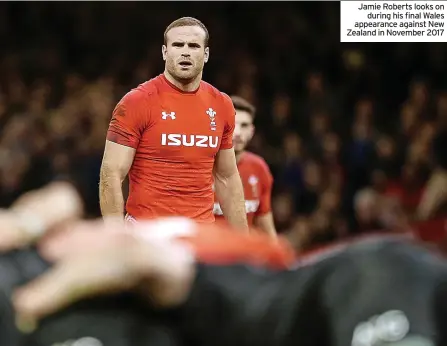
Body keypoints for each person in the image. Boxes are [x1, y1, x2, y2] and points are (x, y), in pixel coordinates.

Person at [3, 183, 447, 346]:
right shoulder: (60, 247)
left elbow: (64, 202)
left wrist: (33, 301)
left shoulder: (152, 235)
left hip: (318, 295)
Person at [100, 17, 247, 230]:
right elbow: (111, 173)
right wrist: (116, 237)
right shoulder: (136, 102)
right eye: (178, 45)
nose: (185, 52)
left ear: (205, 55)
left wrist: (244, 244)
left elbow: (227, 177)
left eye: (193, 46)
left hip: (201, 235)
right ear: (164, 52)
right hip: (147, 234)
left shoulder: (222, 104)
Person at [213, 96, 276, 237]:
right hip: (205, 255)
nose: (238, 133)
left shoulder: (259, 168)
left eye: (244, 126)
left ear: (252, 132)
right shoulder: (199, 167)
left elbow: (266, 228)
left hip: (242, 256)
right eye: (233, 125)